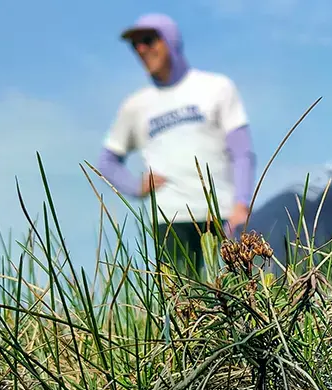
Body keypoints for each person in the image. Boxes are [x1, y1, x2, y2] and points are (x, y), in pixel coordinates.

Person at [96, 13, 256, 276]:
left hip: (222, 213)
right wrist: (136, 186)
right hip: (168, 219)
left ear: (170, 40)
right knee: (183, 301)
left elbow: (242, 151)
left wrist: (242, 203)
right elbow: (107, 161)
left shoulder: (217, 87)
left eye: (148, 40)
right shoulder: (135, 105)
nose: (141, 49)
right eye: (135, 45)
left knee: (235, 291)